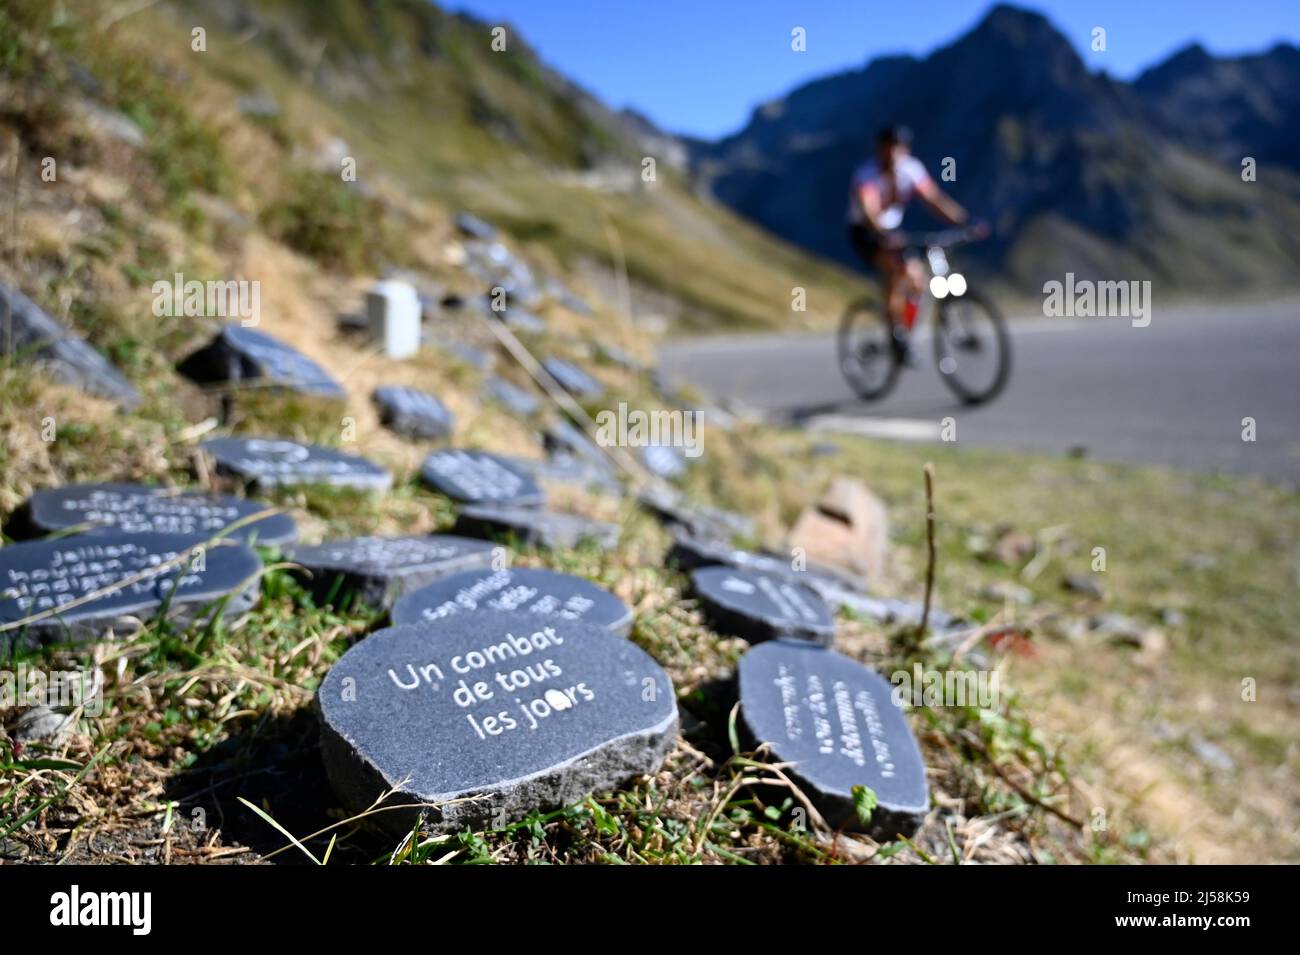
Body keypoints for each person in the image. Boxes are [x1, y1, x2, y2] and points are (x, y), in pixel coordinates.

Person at [847, 126, 977, 359]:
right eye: (888, 149)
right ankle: (895, 333)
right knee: (898, 270)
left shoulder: (911, 169)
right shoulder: (866, 174)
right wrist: (881, 231)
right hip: (865, 231)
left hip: (893, 231)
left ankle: (904, 330)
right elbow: (869, 208)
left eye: (898, 148)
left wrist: (964, 221)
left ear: (905, 150)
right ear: (879, 150)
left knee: (918, 280)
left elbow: (933, 199)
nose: (893, 155)